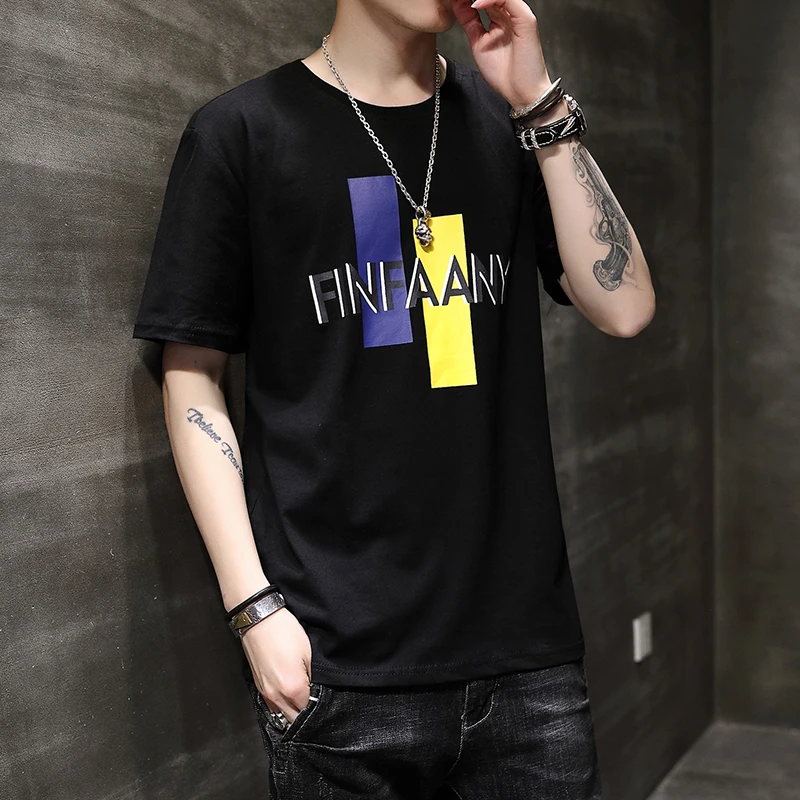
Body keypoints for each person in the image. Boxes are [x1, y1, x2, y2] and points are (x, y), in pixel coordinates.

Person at [132, 0, 655, 796]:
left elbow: (627, 308)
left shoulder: (509, 124)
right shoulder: (242, 131)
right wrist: (254, 611)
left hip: (526, 659)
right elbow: (191, 373)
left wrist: (540, 102)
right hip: (340, 666)